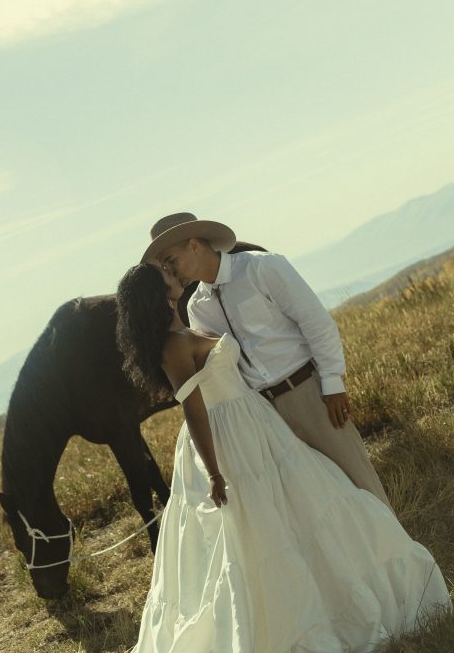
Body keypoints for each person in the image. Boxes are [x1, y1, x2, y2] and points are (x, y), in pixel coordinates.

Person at [0, 261, 450, 653]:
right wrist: (213, 473)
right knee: (259, 543)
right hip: (230, 440)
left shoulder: (190, 321)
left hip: (256, 429)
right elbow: (194, 411)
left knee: (308, 516)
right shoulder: (172, 345)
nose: (176, 285)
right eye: (167, 286)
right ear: (153, 301)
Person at [143, 212, 391, 509]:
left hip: (309, 395)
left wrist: (332, 382)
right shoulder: (198, 308)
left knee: (359, 480)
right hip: (263, 415)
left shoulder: (262, 268)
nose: (170, 270)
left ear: (193, 245)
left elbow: (316, 322)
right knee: (314, 502)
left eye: (171, 260)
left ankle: (399, 552)